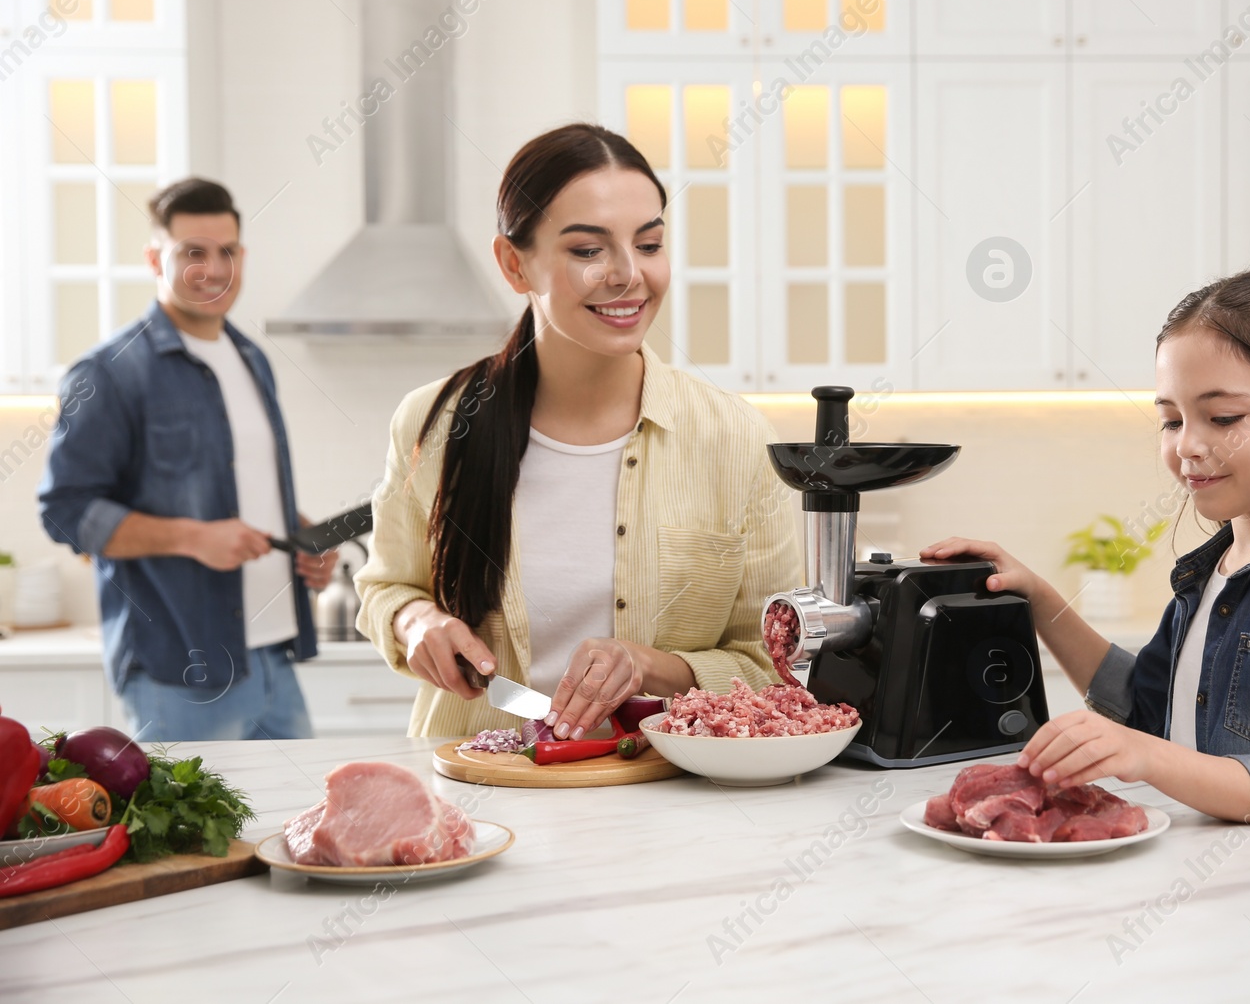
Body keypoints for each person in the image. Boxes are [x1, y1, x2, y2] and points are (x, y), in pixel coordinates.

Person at [923, 252, 1250, 926]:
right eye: (1171, 419)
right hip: (1228, 913)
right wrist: (1039, 601)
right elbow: (1143, 707)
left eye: (1222, 418)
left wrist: (1145, 756)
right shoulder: (1211, 571)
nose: (1188, 445)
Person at [356, 123, 802, 740]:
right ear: (515, 264)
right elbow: (386, 587)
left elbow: (775, 669)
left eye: (648, 245)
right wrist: (414, 622)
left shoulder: (736, 439)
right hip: (478, 790)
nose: (627, 275)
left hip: (665, 797)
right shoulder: (434, 422)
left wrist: (651, 667)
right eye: (588, 251)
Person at [37, 178, 338, 740]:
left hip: (273, 657)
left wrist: (299, 536)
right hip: (180, 669)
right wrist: (191, 537)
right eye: (193, 253)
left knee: (292, 828)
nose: (214, 270)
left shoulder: (251, 358)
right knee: (190, 832)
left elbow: (237, 486)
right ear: (155, 258)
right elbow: (64, 509)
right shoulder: (109, 372)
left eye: (227, 252)